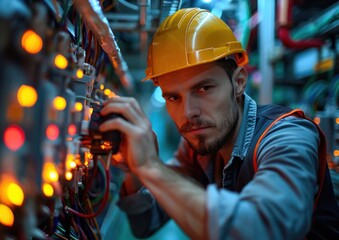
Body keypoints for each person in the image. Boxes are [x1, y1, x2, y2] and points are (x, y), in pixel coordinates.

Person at [99, 8, 339, 240]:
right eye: (174, 97)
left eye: (203, 88)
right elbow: (145, 221)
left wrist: (151, 167)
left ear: (239, 83)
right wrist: (135, 168)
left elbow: (266, 229)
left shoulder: (287, 136)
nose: (188, 112)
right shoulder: (198, 147)